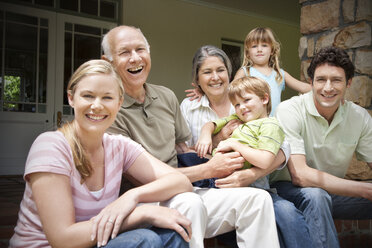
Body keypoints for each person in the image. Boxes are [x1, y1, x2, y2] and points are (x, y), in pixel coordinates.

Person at [102, 25, 280, 248]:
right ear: (108, 61)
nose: (135, 58)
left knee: (258, 200)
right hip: (145, 199)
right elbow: (143, 178)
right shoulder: (108, 111)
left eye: (140, 49)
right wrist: (210, 169)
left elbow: (184, 150)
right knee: (191, 202)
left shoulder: (165, 97)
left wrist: (218, 151)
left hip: (185, 188)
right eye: (124, 52)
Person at [9, 59, 193, 248]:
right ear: (71, 98)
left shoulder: (119, 146)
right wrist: (141, 213)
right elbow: (63, 240)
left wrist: (132, 197)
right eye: (88, 96)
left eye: (107, 97)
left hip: (94, 243)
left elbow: (180, 181)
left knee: (174, 233)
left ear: (119, 103)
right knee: (146, 240)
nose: (97, 106)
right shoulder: (51, 146)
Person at [270, 46, 372, 248]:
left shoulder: (360, 117)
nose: (327, 88)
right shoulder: (290, 110)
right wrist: (365, 189)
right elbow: (300, 175)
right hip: (287, 190)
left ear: (348, 83)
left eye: (336, 80)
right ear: (311, 82)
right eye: (321, 80)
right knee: (316, 195)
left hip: (331, 192)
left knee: (321, 195)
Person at [233, 27, 311, 115]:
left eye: (264, 45)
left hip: (274, 124)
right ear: (248, 53)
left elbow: (303, 87)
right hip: (253, 124)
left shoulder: (280, 74)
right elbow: (231, 92)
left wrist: (321, 89)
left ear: (272, 50)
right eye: (254, 46)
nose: (259, 49)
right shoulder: (245, 72)